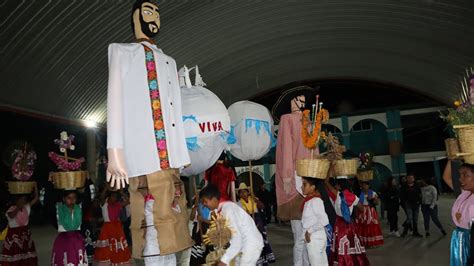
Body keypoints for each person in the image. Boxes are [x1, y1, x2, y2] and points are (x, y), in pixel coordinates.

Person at [200, 185, 263, 266]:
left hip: (250, 245)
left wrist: (224, 260)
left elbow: (237, 239)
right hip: (242, 246)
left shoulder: (228, 209)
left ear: (214, 199)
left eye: (205, 201)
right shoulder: (221, 210)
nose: (204, 205)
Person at [325, 177, 370, 266]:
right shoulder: (353, 196)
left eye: (337, 185)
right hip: (349, 224)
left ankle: (342, 262)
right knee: (350, 243)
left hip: (339, 224)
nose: (335, 186)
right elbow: (362, 208)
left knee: (340, 244)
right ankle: (352, 262)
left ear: (339, 186)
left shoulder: (337, 194)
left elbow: (327, 184)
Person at [443, 162, 474, 265]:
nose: (460, 179)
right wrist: (451, 158)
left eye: (465, 175)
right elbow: (446, 177)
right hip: (459, 238)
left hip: (470, 239)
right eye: (460, 175)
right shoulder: (464, 193)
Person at [237, 183, 276, 265]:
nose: (243, 194)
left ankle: (264, 260)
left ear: (248, 192)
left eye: (245, 192)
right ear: (239, 194)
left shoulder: (254, 199)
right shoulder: (238, 204)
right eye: (241, 192)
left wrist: (255, 198)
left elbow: (262, 207)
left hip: (258, 224)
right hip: (248, 226)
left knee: (262, 242)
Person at [0, 185, 39, 266]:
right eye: (21, 199)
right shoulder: (12, 209)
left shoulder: (26, 207)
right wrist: (18, 207)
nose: (23, 201)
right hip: (14, 238)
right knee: (14, 259)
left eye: (24, 200)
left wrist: (35, 186)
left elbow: (36, 198)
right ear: (16, 200)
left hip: (25, 236)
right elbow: (11, 216)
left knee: (26, 259)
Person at [94, 186, 132, 265]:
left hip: (117, 228)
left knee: (118, 247)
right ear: (109, 196)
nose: (114, 198)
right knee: (108, 247)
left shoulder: (118, 205)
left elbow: (128, 201)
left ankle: (117, 261)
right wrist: (106, 188)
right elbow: (101, 197)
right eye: (113, 196)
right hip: (107, 228)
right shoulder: (104, 204)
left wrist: (122, 193)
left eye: (116, 197)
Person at [51, 190, 88, 266]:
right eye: (69, 198)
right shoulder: (60, 209)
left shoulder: (78, 208)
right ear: (64, 199)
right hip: (63, 240)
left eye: (74, 198)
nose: (72, 200)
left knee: (77, 260)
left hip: (76, 240)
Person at [301, 177, 329, 266]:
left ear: (312, 187)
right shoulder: (309, 201)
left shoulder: (316, 201)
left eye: (304, 185)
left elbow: (324, 220)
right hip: (315, 238)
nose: (302, 187)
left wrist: (309, 231)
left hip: (315, 238)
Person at [355, 181, 384, 248]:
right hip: (362, 210)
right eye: (363, 185)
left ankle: (372, 242)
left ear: (369, 186)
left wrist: (372, 200)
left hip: (370, 211)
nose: (364, 186)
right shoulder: (359, 193)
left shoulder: (373, 193)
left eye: (366, 185)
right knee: (363, 226)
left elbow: (377, 203)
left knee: (372, 225)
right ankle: (365, 242)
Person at [189, 194, 211, 265]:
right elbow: (191, 218)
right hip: (196, 232)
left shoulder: (210, 207)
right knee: (196, 253)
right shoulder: (196, 206)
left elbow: (213, 222)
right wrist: (195, 206)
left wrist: (203, 220)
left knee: (205, 251)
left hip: (207, 231)